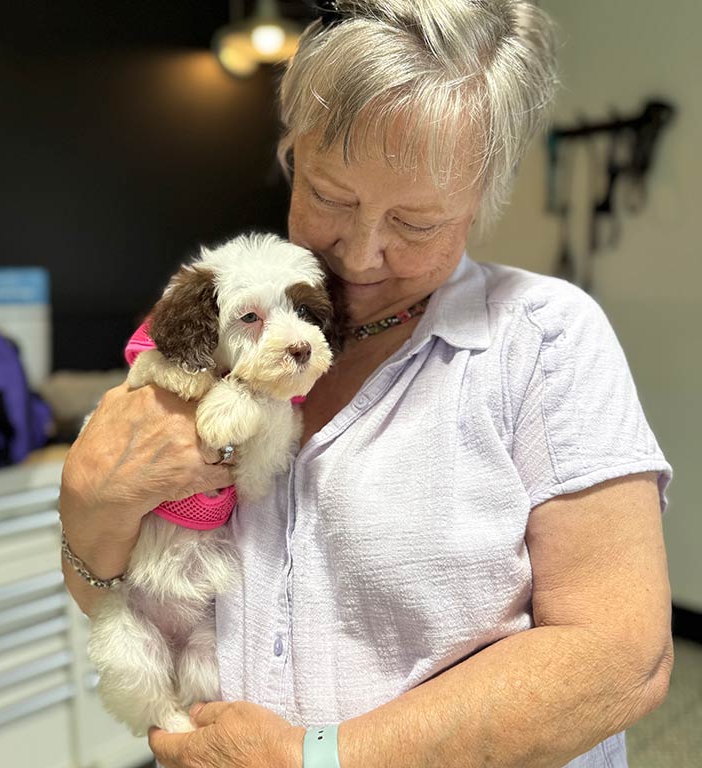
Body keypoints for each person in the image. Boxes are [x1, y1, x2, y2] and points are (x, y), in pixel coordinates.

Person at [59, 2, 674, 766]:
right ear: (291, 152)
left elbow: (622, 658)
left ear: (483, 199)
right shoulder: (221, 328)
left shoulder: (542, 341)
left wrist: (317, 758)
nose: (360, 251)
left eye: (416, 223)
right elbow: (118, 592)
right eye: (330, 196)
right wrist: (89, 499)